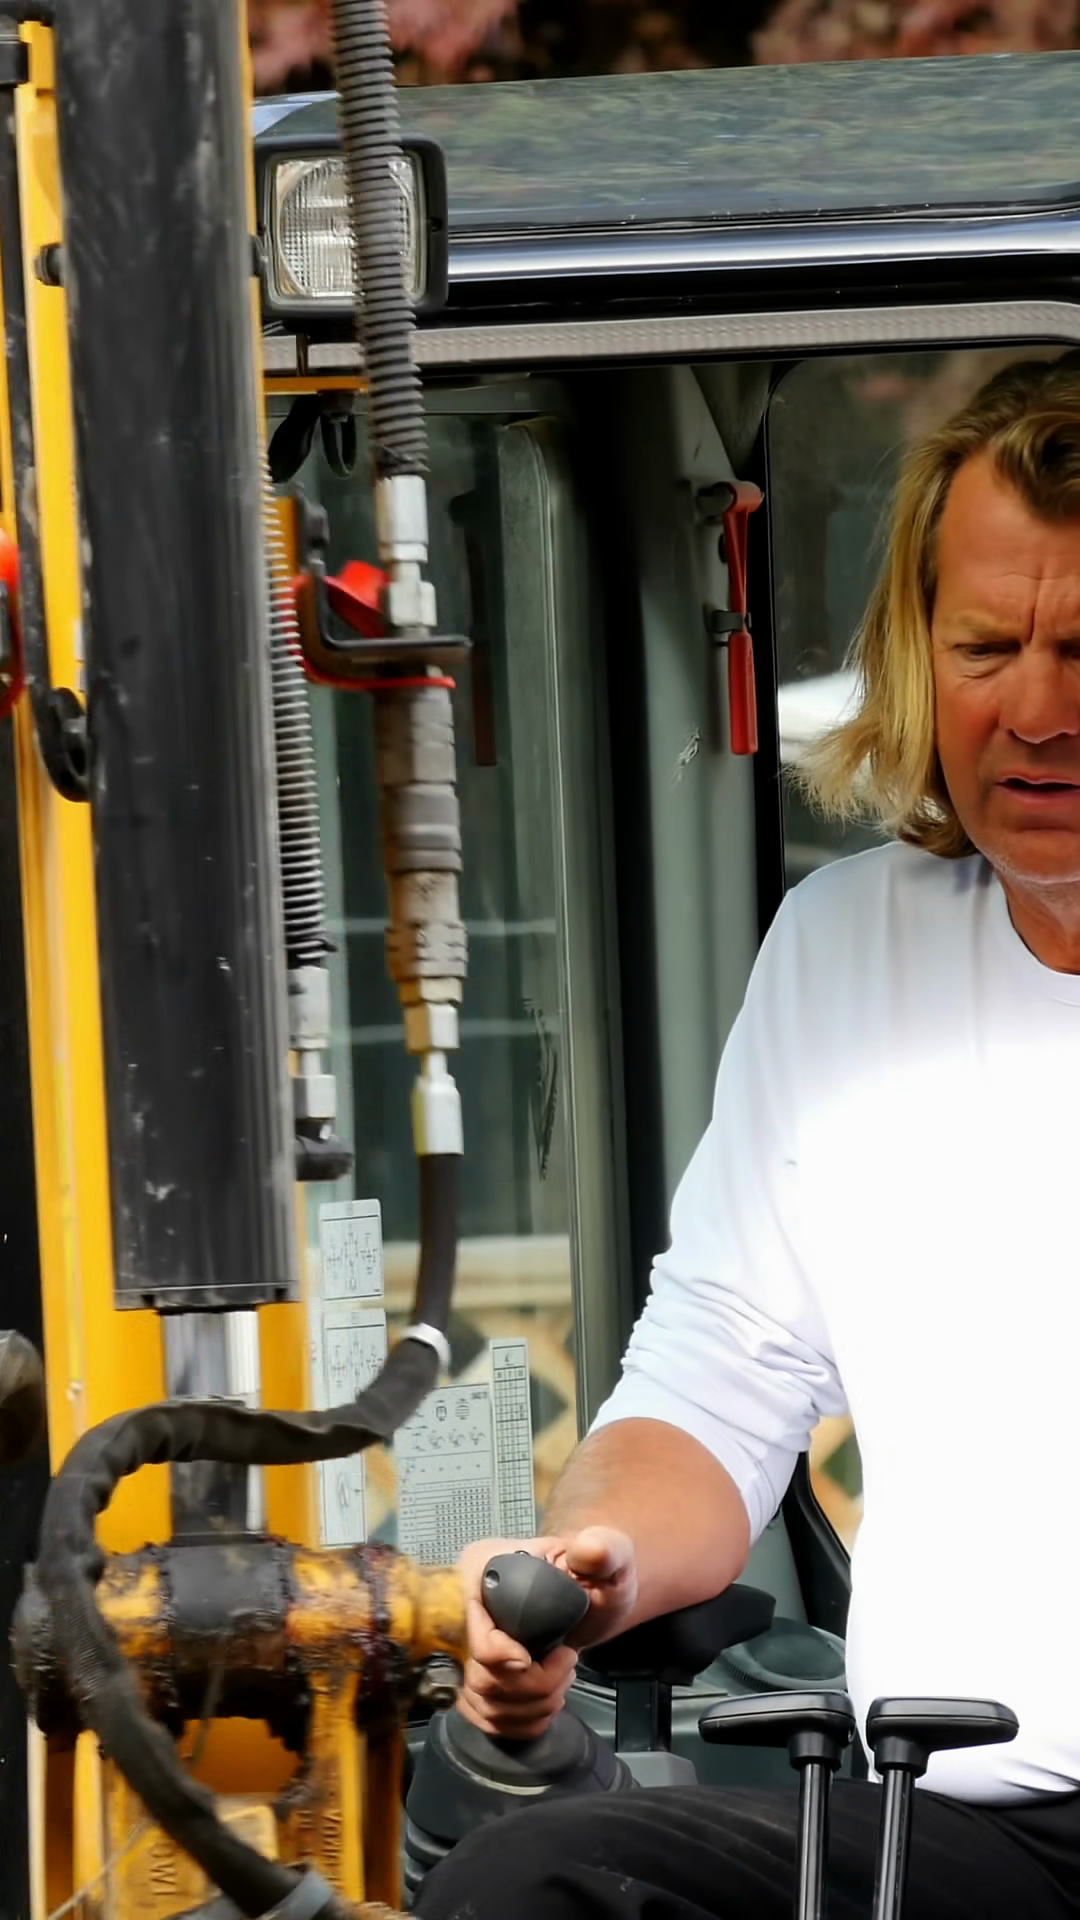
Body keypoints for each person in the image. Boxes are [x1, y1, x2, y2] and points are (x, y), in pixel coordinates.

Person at [415, 351, 1080, 1920]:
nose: (1038, 712)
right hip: (957, 1833)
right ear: (918, 654)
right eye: (988, 647)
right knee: (535, 1889)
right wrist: (592, 1567)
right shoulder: (842, 952)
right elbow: (716, 1383)